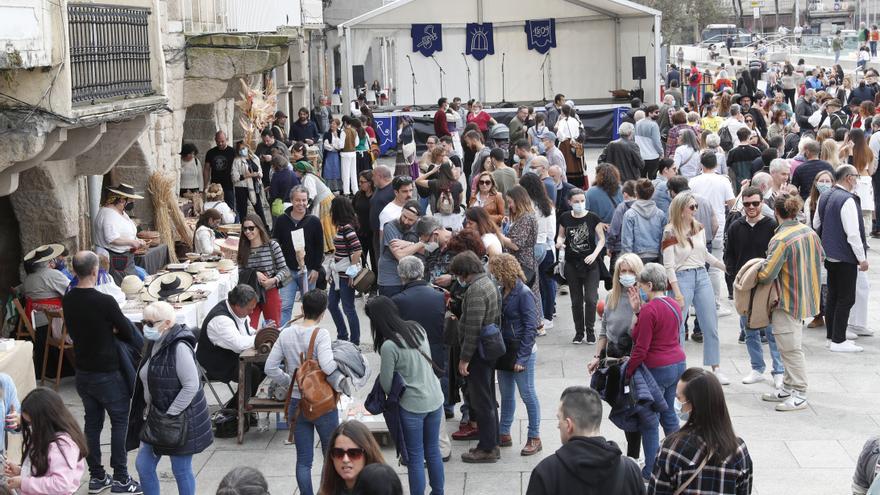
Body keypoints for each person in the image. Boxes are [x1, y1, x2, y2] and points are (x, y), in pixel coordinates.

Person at [62, 250, 141, 493]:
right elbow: (127, 332)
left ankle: (97, 476)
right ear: (96, 271)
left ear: (74, 271)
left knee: (92, 424)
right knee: (119, 421)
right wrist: (113, 330)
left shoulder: (68, 299)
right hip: (107, 371)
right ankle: (121, 477)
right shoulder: (105, 301)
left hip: (83, 372)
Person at [132, 302, 212, 495]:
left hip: (180, 420)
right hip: (158, 417)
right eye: (143, 322)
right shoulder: (155, 341)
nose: (145, 327)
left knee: (181, 469)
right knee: (143, 465)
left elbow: (191, 385)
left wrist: (170, 414)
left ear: (167, 323)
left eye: (150, 323)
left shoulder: (179, 347)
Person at [367, 296, 444, 495]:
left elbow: (386, 385)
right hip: (435, 398)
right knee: (433, 451)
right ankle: (438, 492)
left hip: (412, 406)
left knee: (416, 457)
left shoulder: (389, 346)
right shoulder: (417, 328)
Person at [264, 290, 338, 495]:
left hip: (296, 404)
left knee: (304, 460)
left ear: (302, 309)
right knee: (330, 454)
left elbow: (270, 367)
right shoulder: (321, 334)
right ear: (323, 313)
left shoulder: (286, 333)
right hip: (321, 402)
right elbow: (328, 366)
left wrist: (290, 381)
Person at [757, 195, 823, 411]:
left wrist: (755, 270)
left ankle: (800, 393)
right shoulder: (809, 232)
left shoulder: (781, 239)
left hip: (786, 299)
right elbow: (821, 257)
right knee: (789, 345)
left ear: (776, 213)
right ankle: (787, 387)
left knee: (790, 347)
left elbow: (767, 274)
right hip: (807, 296)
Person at [649, 368, 753, 493]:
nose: (676, 402)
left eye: (679, 397)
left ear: (692, 403)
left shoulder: (671, 448)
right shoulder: (738, 450)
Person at [525, 386, 644, 495]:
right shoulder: (631, 471)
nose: (558, 425)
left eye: (559, 419)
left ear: (568, 425)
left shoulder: (546, 472)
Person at [662, 193, 729, 384]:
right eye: (692, 207)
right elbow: (669, 266)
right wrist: (676, 292)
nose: (695, 210)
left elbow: (705, 253)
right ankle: (679, 369)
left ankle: (715, 367)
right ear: (681, 209)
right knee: (677, 327)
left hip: (701, 275)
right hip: (681, 278)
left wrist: (724, 267)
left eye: (696, 206)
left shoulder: (698, 227)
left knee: (710, 324)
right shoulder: (670, 232)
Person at [587, 254, 644, 458]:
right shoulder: (611, 296)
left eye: (630, 271)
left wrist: (638, 311)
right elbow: (603, 330)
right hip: (613, 361)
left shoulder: (643, 298)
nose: (626, 275)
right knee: (620, 408)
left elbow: (644, 333)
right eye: (623, 271)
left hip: (634, 360)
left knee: (631, 413)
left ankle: (634, 457)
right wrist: (596, 356)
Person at [725, 186, 784, 385]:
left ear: (762, 203)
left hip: (767, 284)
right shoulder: (736, 226)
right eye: (747, 204)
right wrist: (734, 279)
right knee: (748, 330)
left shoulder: (771, 225)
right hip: (744, 285)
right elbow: (729, 254)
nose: (751, 207)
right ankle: (757, 368)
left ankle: (779, 371)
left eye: (755, 203)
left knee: (771, 331)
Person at [448, 251, 502, 463]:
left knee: (482, 402)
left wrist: (464, 359)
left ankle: (487, 448)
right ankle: (493, 442)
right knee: (488, 399)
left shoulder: (476, 290)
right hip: (488, 350)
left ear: (465, 272)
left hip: (478, 353)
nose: (459, 279)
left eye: (460, 274)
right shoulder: (488, 282)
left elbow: (473, 328)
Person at [488, 254, 542, 457]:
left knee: (527, 394)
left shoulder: (523, 293)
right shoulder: (503, 290)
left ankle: (534, 436)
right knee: (507, 394)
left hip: (521, 350)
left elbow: (531, 327)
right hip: (505, 349)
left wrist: (522, 358)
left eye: (495, 272)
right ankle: (504, 432)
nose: (493, 276)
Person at [814, 165, 868, 352]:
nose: (857, 180)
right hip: (845, 256)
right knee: (846, 298)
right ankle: (838, 340)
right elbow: (853, 234)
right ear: (848, 178)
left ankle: (832, 337)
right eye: (856, 176)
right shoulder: (847, 200)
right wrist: (862, 259)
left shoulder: (826, 195)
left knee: (834, 295)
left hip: (829, 255)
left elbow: (816, 223)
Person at [392, 254, 449, 412]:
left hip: (411, 354)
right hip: (435, 351)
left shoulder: (398, 300)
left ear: (401, 275)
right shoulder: (439, 296)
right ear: (422, 272)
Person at [3, 388, 86, 495]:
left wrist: (24, 482)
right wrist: (21, 471)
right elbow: (45, 471)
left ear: (45, 420)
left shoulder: (62, 446)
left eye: (32, 423)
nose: (31, 427)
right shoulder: (47, 437)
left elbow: (60, 484)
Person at [556, 188, 606, 344]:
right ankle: (579, 332)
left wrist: (594, 254)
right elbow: (561, 235)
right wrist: (559, 243)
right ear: (569, 202)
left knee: (591, 299)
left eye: (582, 201)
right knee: (576, 301)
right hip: (572, 264)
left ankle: (590, 331)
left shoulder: (592, 218)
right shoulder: (565, 217)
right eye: (576, 201)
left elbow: (602, 240)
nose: (579, 204)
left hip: (591, 264)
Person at [273, 186, 324, 325]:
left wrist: (316, 268)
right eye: (298, 200)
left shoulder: (313, 221)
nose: (301, 203)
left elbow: (320, 247)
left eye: (304, 200)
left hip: (308, 272)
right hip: (288, 271)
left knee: (310, 308)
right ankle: (283, 336)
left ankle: (308, 336)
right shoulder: (282, 220)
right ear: (291, 201)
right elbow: (275, 243)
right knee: (285, 307)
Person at [197, 284, 258, 390]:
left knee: (265, 364)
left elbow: (245, 331)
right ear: (238, 306)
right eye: (249, 309)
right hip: (217, 364)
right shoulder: (221, 320)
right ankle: (238, 405)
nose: (251, 312)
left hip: (230, 356)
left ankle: (243, 401)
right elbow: (239, 345)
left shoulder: (237, 311)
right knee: (252, 372)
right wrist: (259, 338)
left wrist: (257, 333)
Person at [237, 215, 288, 328]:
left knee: (272, 329)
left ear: (259, 227)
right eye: (244, 229)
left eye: (251, 228)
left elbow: (284, 269)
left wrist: (273, 280)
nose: (247, 231)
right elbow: (240, 272)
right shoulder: (243, 248)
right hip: (249, 294)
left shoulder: (272, 246)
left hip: (270, 292)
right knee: (249, 328)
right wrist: (254, 274)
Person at [499, 186, 542, 314]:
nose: (510, 206)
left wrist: (497, 234)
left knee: (526, 296)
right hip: (525, 262)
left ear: (518, 200)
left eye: (510, 202)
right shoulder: (525, 217)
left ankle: (534, 325)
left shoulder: (526, 218)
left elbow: (516, 245)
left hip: (523, 264)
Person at [93, 184, 147, 283]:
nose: (133, 203)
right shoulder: (108, 214)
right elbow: (112, 239)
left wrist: (136, 240)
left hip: (126, 258)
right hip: (116, 259)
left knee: (133, 282)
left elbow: (126, 231)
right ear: (122, 200)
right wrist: (132, 242)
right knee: (125, 285)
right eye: (130, 201)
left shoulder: (120, 211)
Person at [316, 421, 386, 495]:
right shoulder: (326, 491)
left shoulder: (384, 489)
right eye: (338, 453)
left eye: (354, 453)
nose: (345, 460)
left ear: (367, 454)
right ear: (331, 456)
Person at [327, 196, 362, 344]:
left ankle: (354, 341)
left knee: (348, 308)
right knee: (332, 305)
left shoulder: (347, 228)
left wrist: (352, 274)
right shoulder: (342, 227)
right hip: (338, 274)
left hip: (345, 276)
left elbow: (357, 250)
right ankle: (342, 335)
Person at [378, 200, 422, 297]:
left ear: (418, 219)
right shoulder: (389, 227)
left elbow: (427, 249)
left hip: (408, 280)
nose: (406, 221)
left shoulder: (419, 226)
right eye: (404, 217)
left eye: (410, 220)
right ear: (401, 211)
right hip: (390, 281)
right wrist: (421, 243)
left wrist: (408, 244)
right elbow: (400, 255)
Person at [292, 159, 336, 252]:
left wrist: (308, 206)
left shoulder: (308, 178)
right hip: (325, 198)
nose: (294, 172)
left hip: (323, 200)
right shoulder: (308, 176)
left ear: (300, 171)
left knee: (323, 222)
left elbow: (312, 193)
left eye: (295, 170)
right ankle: (329, 245)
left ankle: (327, 246)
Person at [622, 179, 666, 263]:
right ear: (652, 193)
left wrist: (627, 261)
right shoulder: (660, 214)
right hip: (656, 255)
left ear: (636, 193)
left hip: (636, 257)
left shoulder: (630, 214)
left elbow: (627, 242)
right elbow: (663, 239)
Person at [416, 161, 464, 231]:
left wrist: (432, 171)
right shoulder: (458, 184)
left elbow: (418, 181)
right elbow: (460, 199)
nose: (455, 170)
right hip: (454, 217)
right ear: (449, 171)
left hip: (439, 217)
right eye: (453, 169)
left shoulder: (435, 183)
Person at [204, 131, 237, 211]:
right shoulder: (210, 153)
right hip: (214, 187)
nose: (220, 143)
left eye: (222, 141)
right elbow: (206, 169)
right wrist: (205, 185)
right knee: (214, 209)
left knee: (230, 209)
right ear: (215, 140)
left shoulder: (232, 152)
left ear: (227, 139)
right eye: (218, 142)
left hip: (228, 185)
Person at [232, 141, 261, 222]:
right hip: (241, 187)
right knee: (242, 210)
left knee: (259, 208)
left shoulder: (254, 158)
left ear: (247, 147)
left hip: (254, 185)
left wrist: (258, 175)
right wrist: (247, 175)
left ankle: (265, 228)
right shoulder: (237, 161)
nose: (242, 150)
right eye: (240, 149)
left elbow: (260, 170)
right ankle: (243, 227)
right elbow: (234, 177)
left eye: (243, 148)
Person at [353, 170, 376, 271]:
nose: (360, 184)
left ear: (370, 183)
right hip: (360, 233)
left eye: (362, 182)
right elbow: (352, 209)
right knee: (360, 259)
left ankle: (375, 282)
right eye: (359, 182)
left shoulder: (376, 196)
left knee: (374, 258)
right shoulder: (358, 195)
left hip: (372, 234)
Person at [636, 105, 664, 179]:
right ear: (649, 113)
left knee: (641, 178)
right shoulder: (653, 125)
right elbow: (657, 142)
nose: (658, 114)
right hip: (652, 156)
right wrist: (661, 152)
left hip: (641, 156)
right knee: (653, 178)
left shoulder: (638, 123)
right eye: (656, 112)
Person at [322, 118, 344, 193]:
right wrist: (334, 147)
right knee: (328, 170)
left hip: (337, 156)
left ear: (337, 125)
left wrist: (335, 140)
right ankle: (328, 187)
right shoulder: (327, 134)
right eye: (331, 123)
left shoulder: (341, 133)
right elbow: (326, 146)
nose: (332, 125)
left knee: (337, 170)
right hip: (329, 156)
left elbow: (340, 146)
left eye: (334, 123)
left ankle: (337, 188)